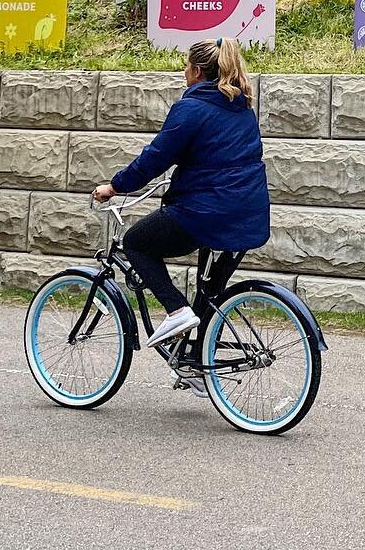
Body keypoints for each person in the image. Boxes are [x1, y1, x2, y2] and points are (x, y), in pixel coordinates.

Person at [93, 37, 269, 349]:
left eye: (186, 66)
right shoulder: (241, 108)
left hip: (206, 211)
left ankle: (176, 310)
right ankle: (199, 359)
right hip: (248, 212)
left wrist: (114, 186)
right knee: (208, 297)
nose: (184, 72)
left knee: (136, 242)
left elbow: (155, 158)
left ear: (197, 71)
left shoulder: (192, 108)